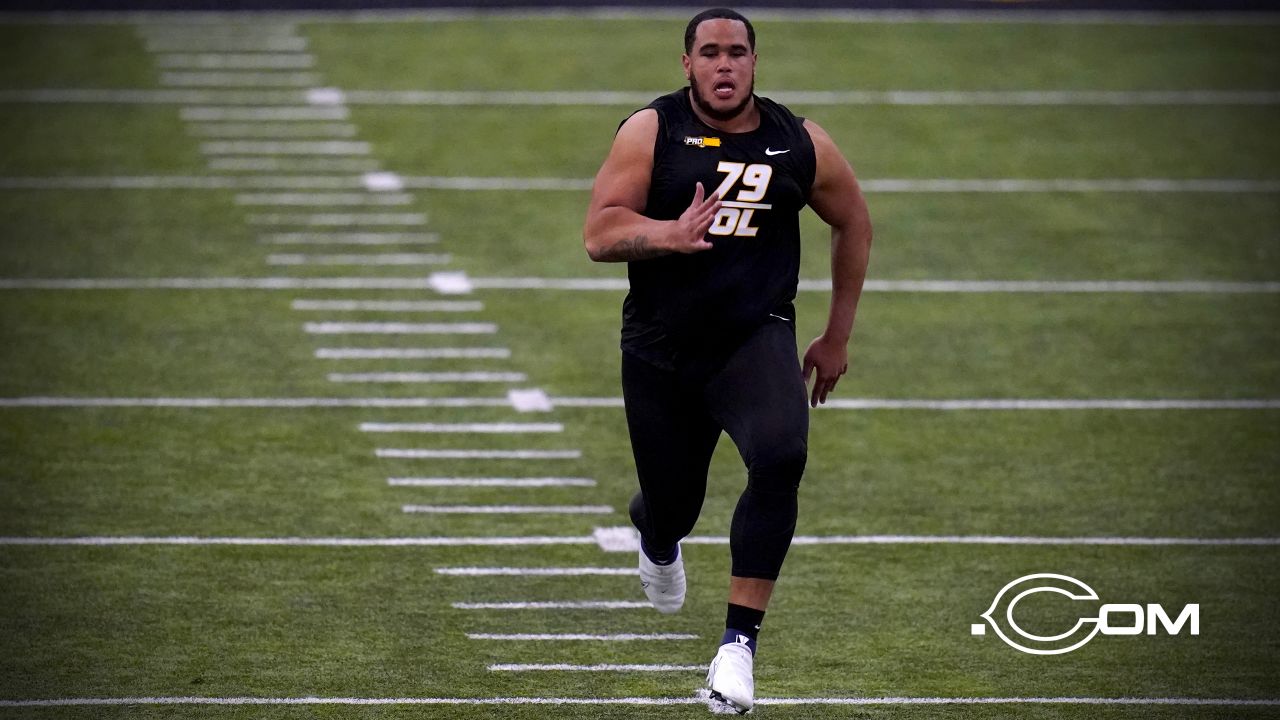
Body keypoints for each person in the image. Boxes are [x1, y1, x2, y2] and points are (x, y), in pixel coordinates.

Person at [582, 7, 872, 714]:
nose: (723, 64)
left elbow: (853, 220)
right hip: (661, 346)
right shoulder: (651, 131)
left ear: (753, 62)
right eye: (709, 52)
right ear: (686, 64)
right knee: (674, 507)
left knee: (780, 454)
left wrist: (836, 336)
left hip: (754, 337)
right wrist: (665, 235)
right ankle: (654, 533)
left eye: (736, 52)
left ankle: (737, 647)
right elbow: (600, 232)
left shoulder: (797, 142)